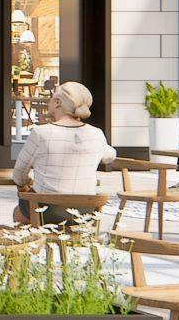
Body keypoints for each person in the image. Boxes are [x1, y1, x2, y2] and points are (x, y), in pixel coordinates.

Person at [11, 80, 117, 224]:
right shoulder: (95, 134)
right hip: (84, 213)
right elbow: (109, 156)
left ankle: (32, 245)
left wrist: (27, 182)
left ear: (58, 103)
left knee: (18, 212)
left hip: (46, 211)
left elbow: (18, 175)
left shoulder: (40, 133)